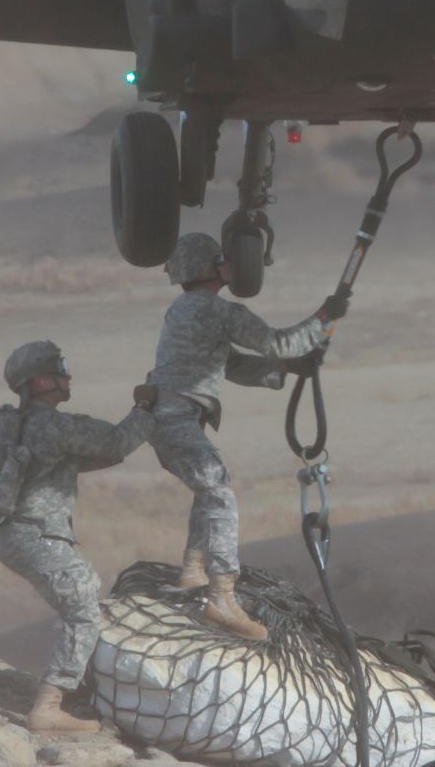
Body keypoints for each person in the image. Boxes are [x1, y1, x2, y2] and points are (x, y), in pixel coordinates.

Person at [146, 233, 348, 640]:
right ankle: (221, 597)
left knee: (210, 488)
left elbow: (233, 365)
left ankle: (192, 569)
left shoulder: (184, 309)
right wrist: (324, 318)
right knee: (219, 491)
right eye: (221, 259)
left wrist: (286, 371)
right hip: (176, 417)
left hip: (166, 416)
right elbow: (276, 342)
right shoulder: (216, 310)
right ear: (207, 269)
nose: (229, 265)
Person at [0, 340, 157, 732]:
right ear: (41, 381)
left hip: (9, 535)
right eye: (60, 371)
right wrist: (145, 408)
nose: (68, 376)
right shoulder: (53, 426)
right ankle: (50, 705)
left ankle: (74, 685)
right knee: (82, 603)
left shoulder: (0, 422)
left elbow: (91, 455)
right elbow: (115, 442)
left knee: (79, 598)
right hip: (36, 536)